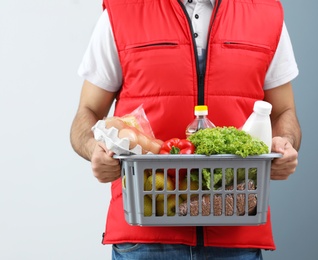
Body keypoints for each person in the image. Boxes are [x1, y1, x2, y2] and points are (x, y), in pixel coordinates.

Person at [70, 0, 302, 259]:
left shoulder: (265, 13)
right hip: (145, 234)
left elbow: (283, 112)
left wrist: (285, 143)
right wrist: (94, 149)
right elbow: (87, 111)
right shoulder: (123, 11)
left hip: (236, 232)